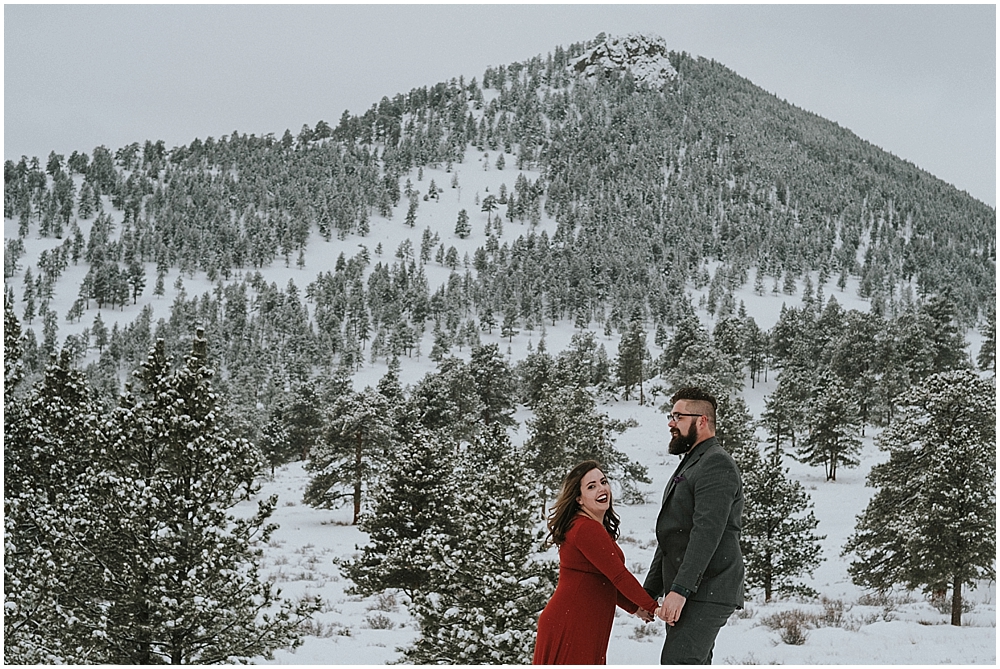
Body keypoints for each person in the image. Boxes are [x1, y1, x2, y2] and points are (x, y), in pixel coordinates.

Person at [643, 387, 745, 664]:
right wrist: (649, 592)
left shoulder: (716, 463)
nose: (670, 422)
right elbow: (672, 536)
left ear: (702, 420)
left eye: (678, 416)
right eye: (671, 415)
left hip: (708, 588)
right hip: (692, 590)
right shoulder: (693, 461)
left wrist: (680, 590)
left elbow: (706, 533)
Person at [533, 460, 660, 665]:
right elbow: (619, 575)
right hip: (572, 624)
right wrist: (654, 607)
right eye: (591, 487)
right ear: (579, 499)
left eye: (603, 482)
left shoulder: (588, 526)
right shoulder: (586, 529)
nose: (601, 489)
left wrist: (635, 608)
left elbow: (603, 580)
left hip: (579, 623)